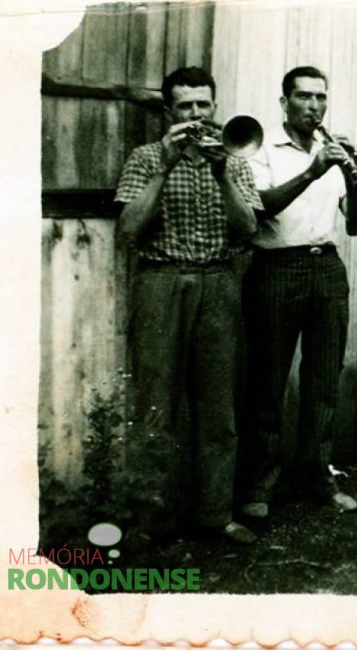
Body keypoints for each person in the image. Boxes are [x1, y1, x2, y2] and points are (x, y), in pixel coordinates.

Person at [115, 66, 262, 544]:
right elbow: (129, 229)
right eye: (186, 106)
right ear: (168, 112)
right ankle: (150, 520)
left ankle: (215, 514)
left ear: (215, 107)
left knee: (218, 409)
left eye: (204, 105)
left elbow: (248, 230)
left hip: (218, 283)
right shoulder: (144, 158)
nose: (197, 115)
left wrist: (221, 172)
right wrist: (165, 164)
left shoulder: (235, 161)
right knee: (156, 404)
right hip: (160, 283)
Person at [240, 66, 357, 517]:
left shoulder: (333, 152)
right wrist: (314, 171)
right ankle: (259, 485)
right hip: (277, 267)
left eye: (321, 98)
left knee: (323, 381)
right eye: (304, 97)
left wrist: (356, 180)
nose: (314, 106)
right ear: (284, 103)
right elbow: (260, 209)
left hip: (327, 268)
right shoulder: (261, 150)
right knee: (268, 381)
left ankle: (317, 475)